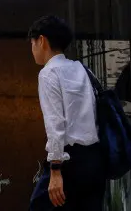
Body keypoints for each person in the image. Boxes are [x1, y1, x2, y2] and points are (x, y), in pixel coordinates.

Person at [28, 15, 107, 211]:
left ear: (42, 41)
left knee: (39, 205)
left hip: (69, 162)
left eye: (32, 43)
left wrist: (55, 170)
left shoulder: (48, 73)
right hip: (94, 161)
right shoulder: (83, 69)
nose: (32, 49)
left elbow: (55, 124)